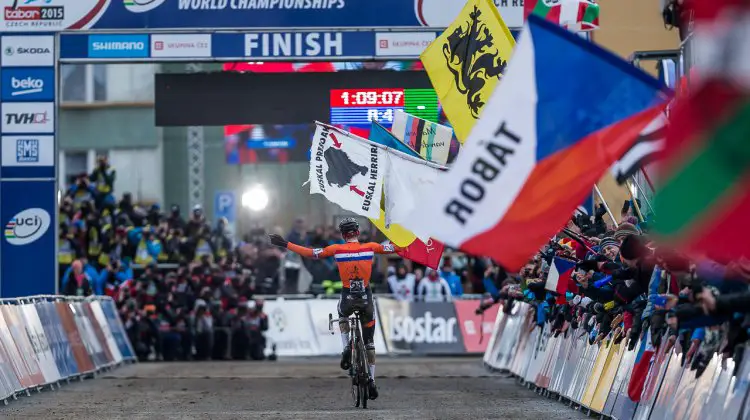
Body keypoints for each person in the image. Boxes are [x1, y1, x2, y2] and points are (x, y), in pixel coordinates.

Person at [269, 217, 401, 400]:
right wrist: (414, 239)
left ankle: (346, 346)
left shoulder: (336, 249)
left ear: (343, 235)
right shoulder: (370, 247)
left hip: (348, 297)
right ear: (357, 233)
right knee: (370, 343)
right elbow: (396, 248)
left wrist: (285, 243)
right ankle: (371, 380)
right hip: (366, 299)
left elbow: (309, 253)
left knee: (342, 313)